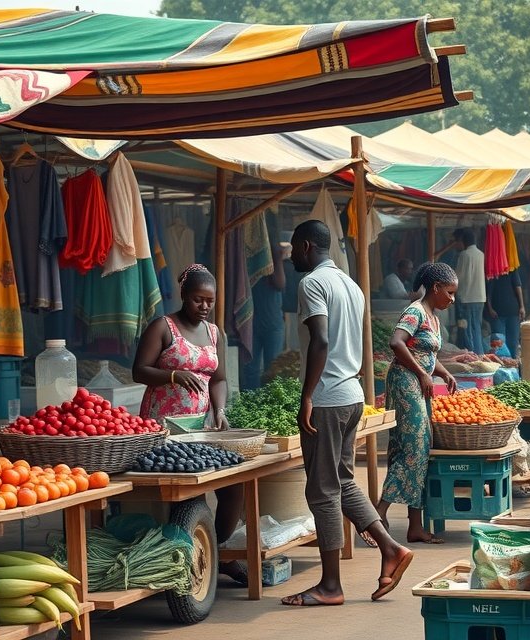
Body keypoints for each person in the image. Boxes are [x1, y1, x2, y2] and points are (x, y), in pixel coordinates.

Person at [284, 220, 413, 606]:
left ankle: (330, 586)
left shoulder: (312, 284)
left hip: (327, 398)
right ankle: (391, 548)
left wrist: (306, 395)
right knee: (341, 480)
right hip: (352, 396)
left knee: (322, 491)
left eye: (293, 247)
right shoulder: (351, 285)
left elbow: (320, 340)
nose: (291, 254)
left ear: (306, 246)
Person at [131, 265, 248, 585]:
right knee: (185, 491)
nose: (205, 307)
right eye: (198, 300)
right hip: (163, 429)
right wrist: (171, 375)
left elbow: (219, 379)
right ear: (184, 296)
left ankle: (219, 549)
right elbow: (138, 371)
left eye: (210, 301)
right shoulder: (163, 327)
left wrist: (220, 410)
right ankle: (179, 556)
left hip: (201, 426)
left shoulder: (215, 333)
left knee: (233, 485)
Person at [373, 263, 459, 546]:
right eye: (449, 292)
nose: (452, 298)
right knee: (412, 448)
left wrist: (442, 371)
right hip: (405, 383)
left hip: (419, 383)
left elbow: (425, 353)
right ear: (435, 288)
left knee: (420, 449)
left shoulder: (433, 316)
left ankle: (415, 525)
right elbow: (397, 343)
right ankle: (377, 515)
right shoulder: (415, 311)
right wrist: (423, 373)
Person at [242, 242, 287, 389]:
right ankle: (253, 406)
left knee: (272, 370)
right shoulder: (248, 255)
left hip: (272, 324)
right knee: (251, 370)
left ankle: (269, 405)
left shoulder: (272, 253)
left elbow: (280, 283)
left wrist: (276, 256)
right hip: (253, 323)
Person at [439, 228, 484, 352]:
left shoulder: (464, 255)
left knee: (466, 329)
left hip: (466, 299)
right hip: (479, 298)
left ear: (463, 241)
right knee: (476, 329)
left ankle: (471, 356)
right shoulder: (481, 254)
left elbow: (457, 278)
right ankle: (479, 354)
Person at [485, 266, 526, 358]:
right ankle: (504, 365)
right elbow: (488, 289)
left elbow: (517, 286)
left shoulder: (511, 268)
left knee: (513, 342)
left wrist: (522, 306)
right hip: (497, 313)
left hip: (512, 311)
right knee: (499, 344)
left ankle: (512, 364)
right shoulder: (493, 267)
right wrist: (490, 307)